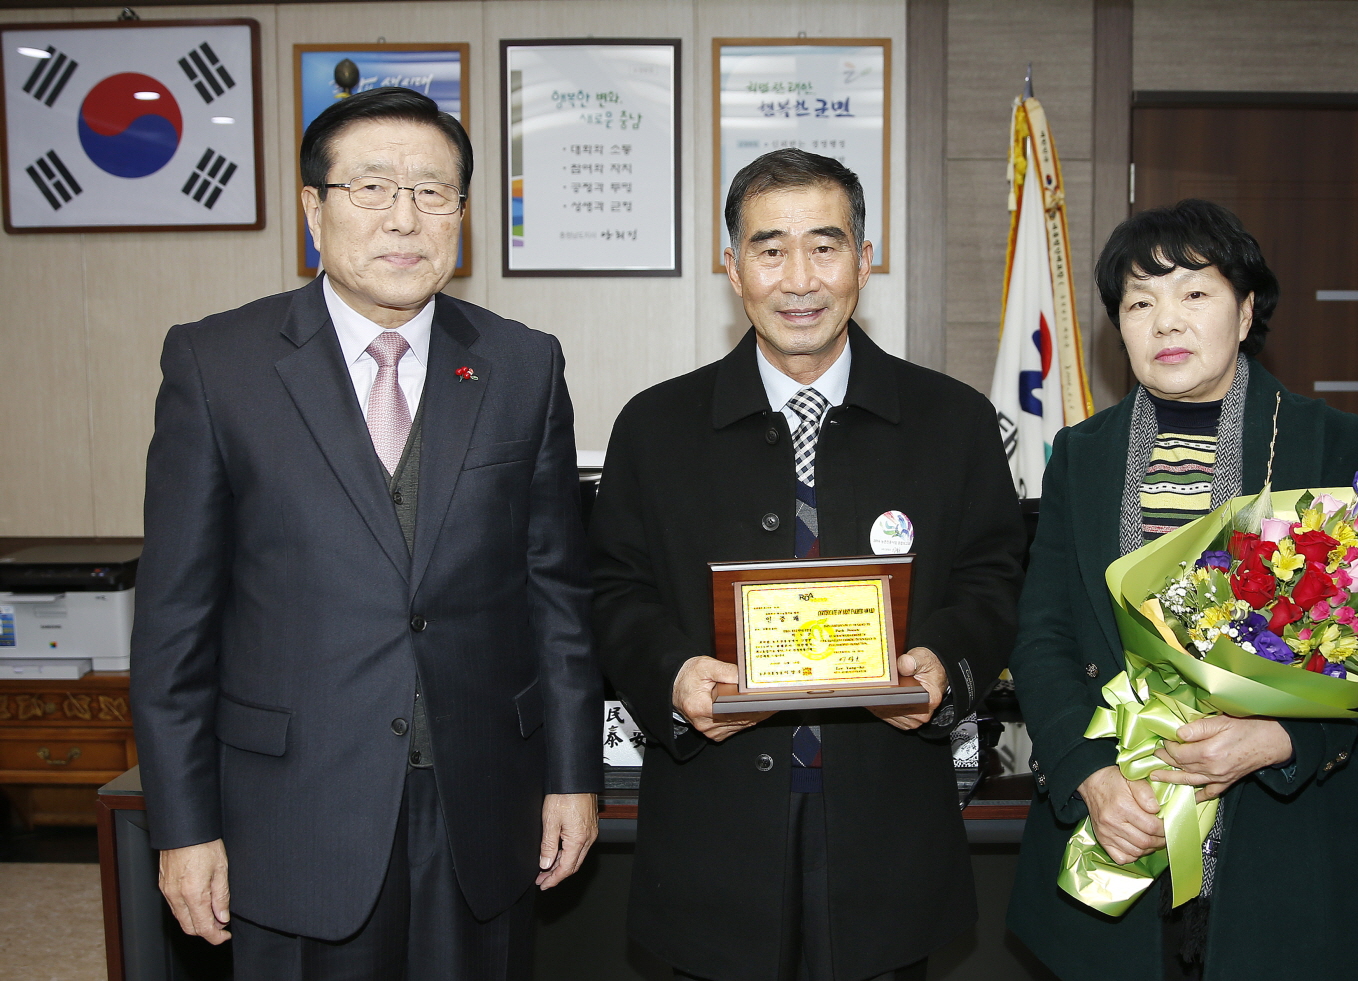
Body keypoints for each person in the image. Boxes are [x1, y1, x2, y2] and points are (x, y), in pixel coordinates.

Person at [129, 87, 601, 980]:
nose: (404, 218)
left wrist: (573, 774)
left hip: (481, 802)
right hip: (291, 811)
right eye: (372, 188)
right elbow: (175, 626)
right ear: (313, 209)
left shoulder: (522, 362)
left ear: (462, 215)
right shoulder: (215, 363)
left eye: (433, 193)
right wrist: (185, 826)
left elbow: (557, 598)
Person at [590, 147, 1027, 981]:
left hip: (887, 827)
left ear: (865, 261)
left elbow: (993, 574)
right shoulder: (655, 426)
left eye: (825, 246)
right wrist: (674, 673)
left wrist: (943, 658)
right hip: (712, 824)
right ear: (732, 266)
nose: (800, 278)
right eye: (769, 248)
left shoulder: (954, 421)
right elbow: (614, 587)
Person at [1006, 199, 1358, 981]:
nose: (1166, 321)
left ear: (1246, 309)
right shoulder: (1080, 455)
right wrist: (1091, 773)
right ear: (1118, 327)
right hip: (1122, 821)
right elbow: (1044, 633)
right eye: (1139, 302)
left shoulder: (1330, 439)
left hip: (1283, 831)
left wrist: (1283, 736)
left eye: (1194, 293)